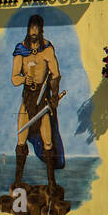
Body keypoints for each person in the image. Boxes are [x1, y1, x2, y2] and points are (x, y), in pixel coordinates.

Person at [11, 14, 64, 199]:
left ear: (40, 29)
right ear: (28, 29)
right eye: (31, 29)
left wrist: (54, 94)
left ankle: (51, 182)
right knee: (21, 139)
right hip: (28, 98)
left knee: (48, 141)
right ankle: (18, 181)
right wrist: (24, 78)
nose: (33, 32)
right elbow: (14, 78)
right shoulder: (21, 50)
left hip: (42, 99)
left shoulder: (47, 49)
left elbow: (55, 74)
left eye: (36, 29)